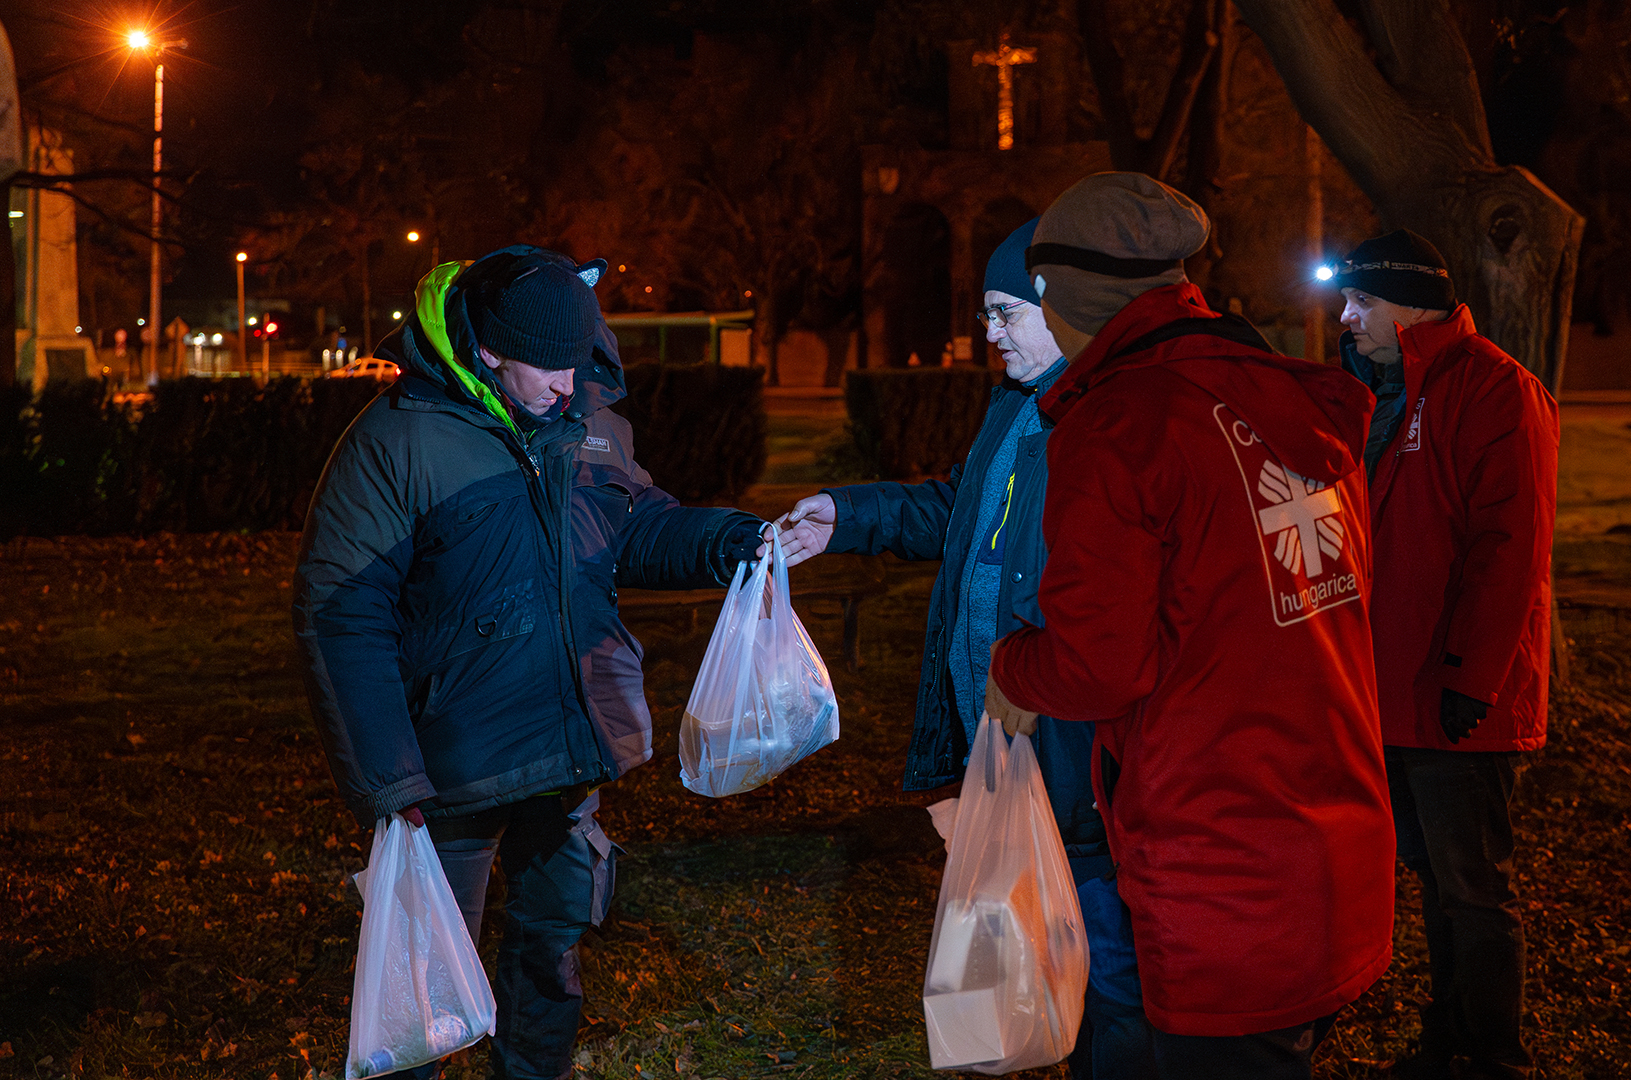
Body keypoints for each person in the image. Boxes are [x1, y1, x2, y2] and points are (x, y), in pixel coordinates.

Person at [293, 245, 768, 1080]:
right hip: (449, 776)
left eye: (578, 361)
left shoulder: (587, 425)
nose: (566, 383)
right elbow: (341, 615)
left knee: (552, 952)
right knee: (427, 983)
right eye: (547, 365)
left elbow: (635, 530)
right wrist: (389, 780)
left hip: (564, 749)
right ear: (487, 351)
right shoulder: (397, 443)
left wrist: (737, 538)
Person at [984, 172, 1396, 1079]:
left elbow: (1097, 666)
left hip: (1216, 857)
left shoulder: (1123, 426)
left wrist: (1013, 665)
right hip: (1331, 837)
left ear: (1071, 298)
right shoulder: (1288, 395)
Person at [776, 219, 1150, 1078]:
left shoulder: (1109, 418)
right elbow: (965, 510)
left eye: (1004, 313)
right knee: (1033, 956)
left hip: (1076, 752)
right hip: (1003, 739)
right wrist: (850, 514)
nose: (989, 335)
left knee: (1107, 962)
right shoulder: (1019, 405)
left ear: (1063, 308)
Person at [1331, 229, 1558, 1080]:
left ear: (1410, 305)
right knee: (1436, 881)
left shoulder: (1496, 391)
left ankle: (1495, 1053)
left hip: (1460, 696)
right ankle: (1452, 1038)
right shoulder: (1382, 389)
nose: (1347, 318)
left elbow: (1510, 548)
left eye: (1362, 303)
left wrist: (1472, 675)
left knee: (1473, 887)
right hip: (1395, 688)